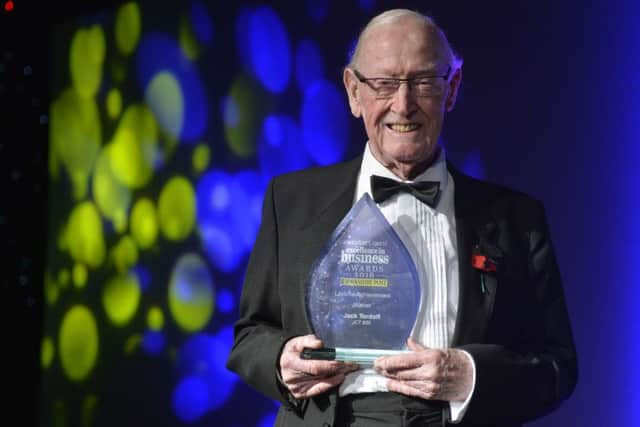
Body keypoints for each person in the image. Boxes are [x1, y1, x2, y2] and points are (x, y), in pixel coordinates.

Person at [227, 8, 577, 427]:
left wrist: (471, 375)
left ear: (452, 89)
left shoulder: (517, 219)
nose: (403, 104)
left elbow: (557, 368)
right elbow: (250, 336)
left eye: (423, 82)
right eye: (384, 84)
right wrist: (281, 363)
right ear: (354, 92)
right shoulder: (291, 201)